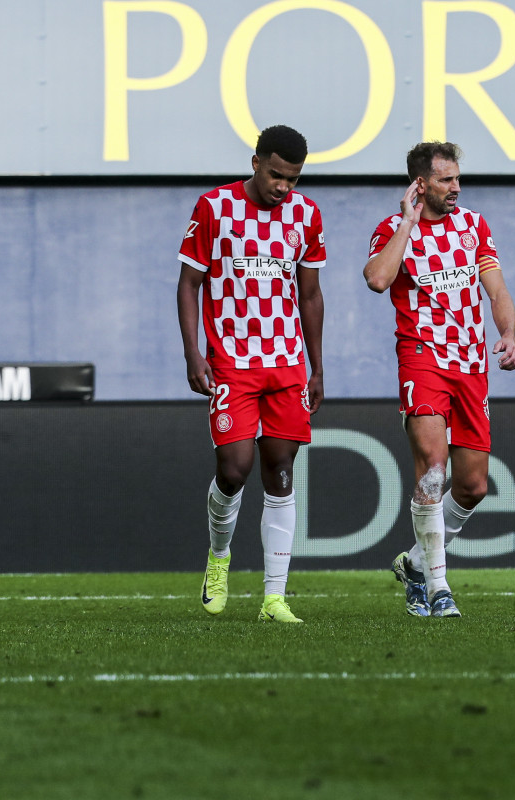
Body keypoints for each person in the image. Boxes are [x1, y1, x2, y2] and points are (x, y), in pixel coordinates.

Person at [364, 141, 515, 619]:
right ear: (421, 184)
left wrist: (508, 333)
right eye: (445, 179)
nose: (456, 187)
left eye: (457, 178)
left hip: (471, 366)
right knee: (432, 469)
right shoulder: (393, 230)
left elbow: (496, 289)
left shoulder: (473, 225)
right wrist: (408, 222)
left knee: (472, 487)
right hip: (422, 358)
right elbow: (376, 279)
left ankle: (413, 563)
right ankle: (439, 586)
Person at [176, 124, 326, 624]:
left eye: (294, 179)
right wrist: (193, 354)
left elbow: (309, 295)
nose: (284, 187)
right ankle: (219, 558)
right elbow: (189, 284)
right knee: (234, 469)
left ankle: (274, 598)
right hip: (232, 364)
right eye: (277, 175)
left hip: (286, 365)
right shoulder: (214, 207)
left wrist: (317, 366)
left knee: (280, 472)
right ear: (256, 161)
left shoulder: (306, 216)